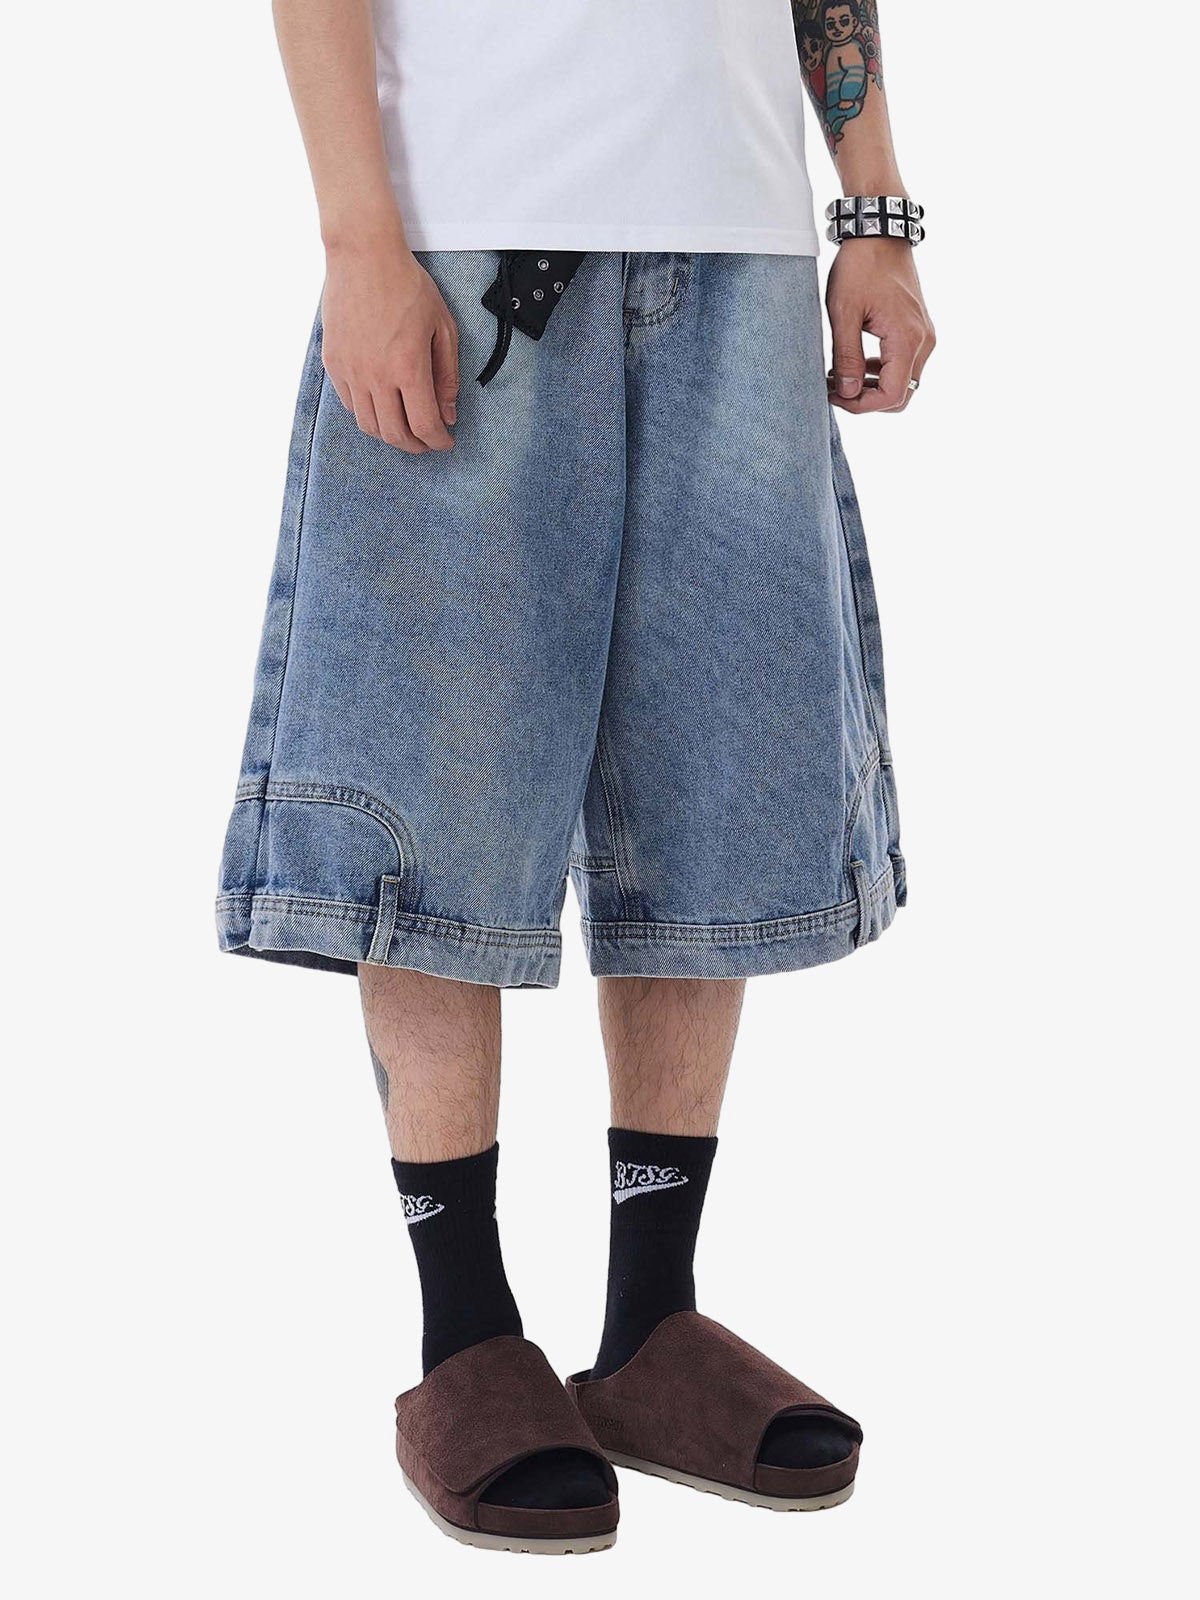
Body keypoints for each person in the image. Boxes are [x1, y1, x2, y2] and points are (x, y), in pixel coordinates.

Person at [216, 0, 934, 1555]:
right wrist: (359, 241)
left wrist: (872, 211)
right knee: (436, 787)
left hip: (740, 241)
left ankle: (653, 1325)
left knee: (709, 790)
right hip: (472, 232)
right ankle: (465, 1334)